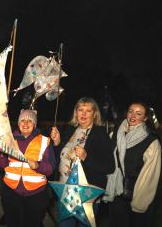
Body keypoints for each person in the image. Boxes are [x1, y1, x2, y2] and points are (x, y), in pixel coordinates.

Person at [50, 97, 115, 227]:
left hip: (86, 196)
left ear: (95, 114)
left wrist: (86, 157)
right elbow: (59, 160)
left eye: (88, 111)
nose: (84, 114)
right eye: (80, 110)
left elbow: (109, 166)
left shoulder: (100, 134)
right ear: (76, 112)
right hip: (65, 193)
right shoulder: (69, 130)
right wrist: (57, 144)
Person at [104, 102, 161, 227]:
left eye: (138, 113)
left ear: (145, 118)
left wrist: (139, 203)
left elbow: (150, 175)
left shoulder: (150, 141)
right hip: (116, 192)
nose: (133, 116)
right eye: (130, 111)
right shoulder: (116, 133)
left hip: (136, 194)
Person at [0, 109, 55, 227]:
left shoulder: (44, 141)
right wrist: (0, 154)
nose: (26, 123)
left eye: (30, 121)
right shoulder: (8, 139)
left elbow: (50, 169)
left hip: (36, 195)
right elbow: (1, 164)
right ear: (18, 123)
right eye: (22, 120)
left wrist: (38, 166)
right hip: (11, 192)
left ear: (35, 124)